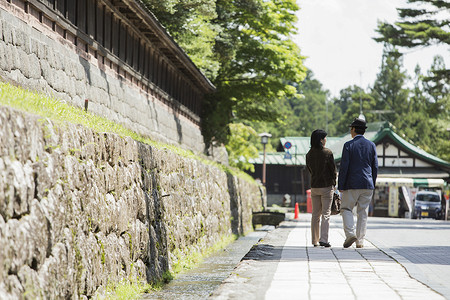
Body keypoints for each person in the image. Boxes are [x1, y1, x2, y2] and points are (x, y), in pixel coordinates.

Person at [338, 118, 378, 248]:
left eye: (351, 129)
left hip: (352, 183)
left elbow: (344, 167)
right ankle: (360, 241)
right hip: (368, 184)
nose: (350, 131)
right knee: (363, 212)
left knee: (346, 208)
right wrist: (372, 183)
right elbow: (375, 167)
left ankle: (350, 234)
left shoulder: (348, 145)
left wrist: (341, 185)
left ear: (354, 129)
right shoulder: (371, 145)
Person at [306, 129, 337, 248]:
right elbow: (332, 170)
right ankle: (323, 239)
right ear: (321, 140)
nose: (326, 140)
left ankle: (314, 240)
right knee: (326, 214)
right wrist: (334, 183)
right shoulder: (327, 152)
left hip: (314, 186)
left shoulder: (309, 154)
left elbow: (309, 169)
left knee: (315, 214)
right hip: (326, 186)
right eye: (325, 138)